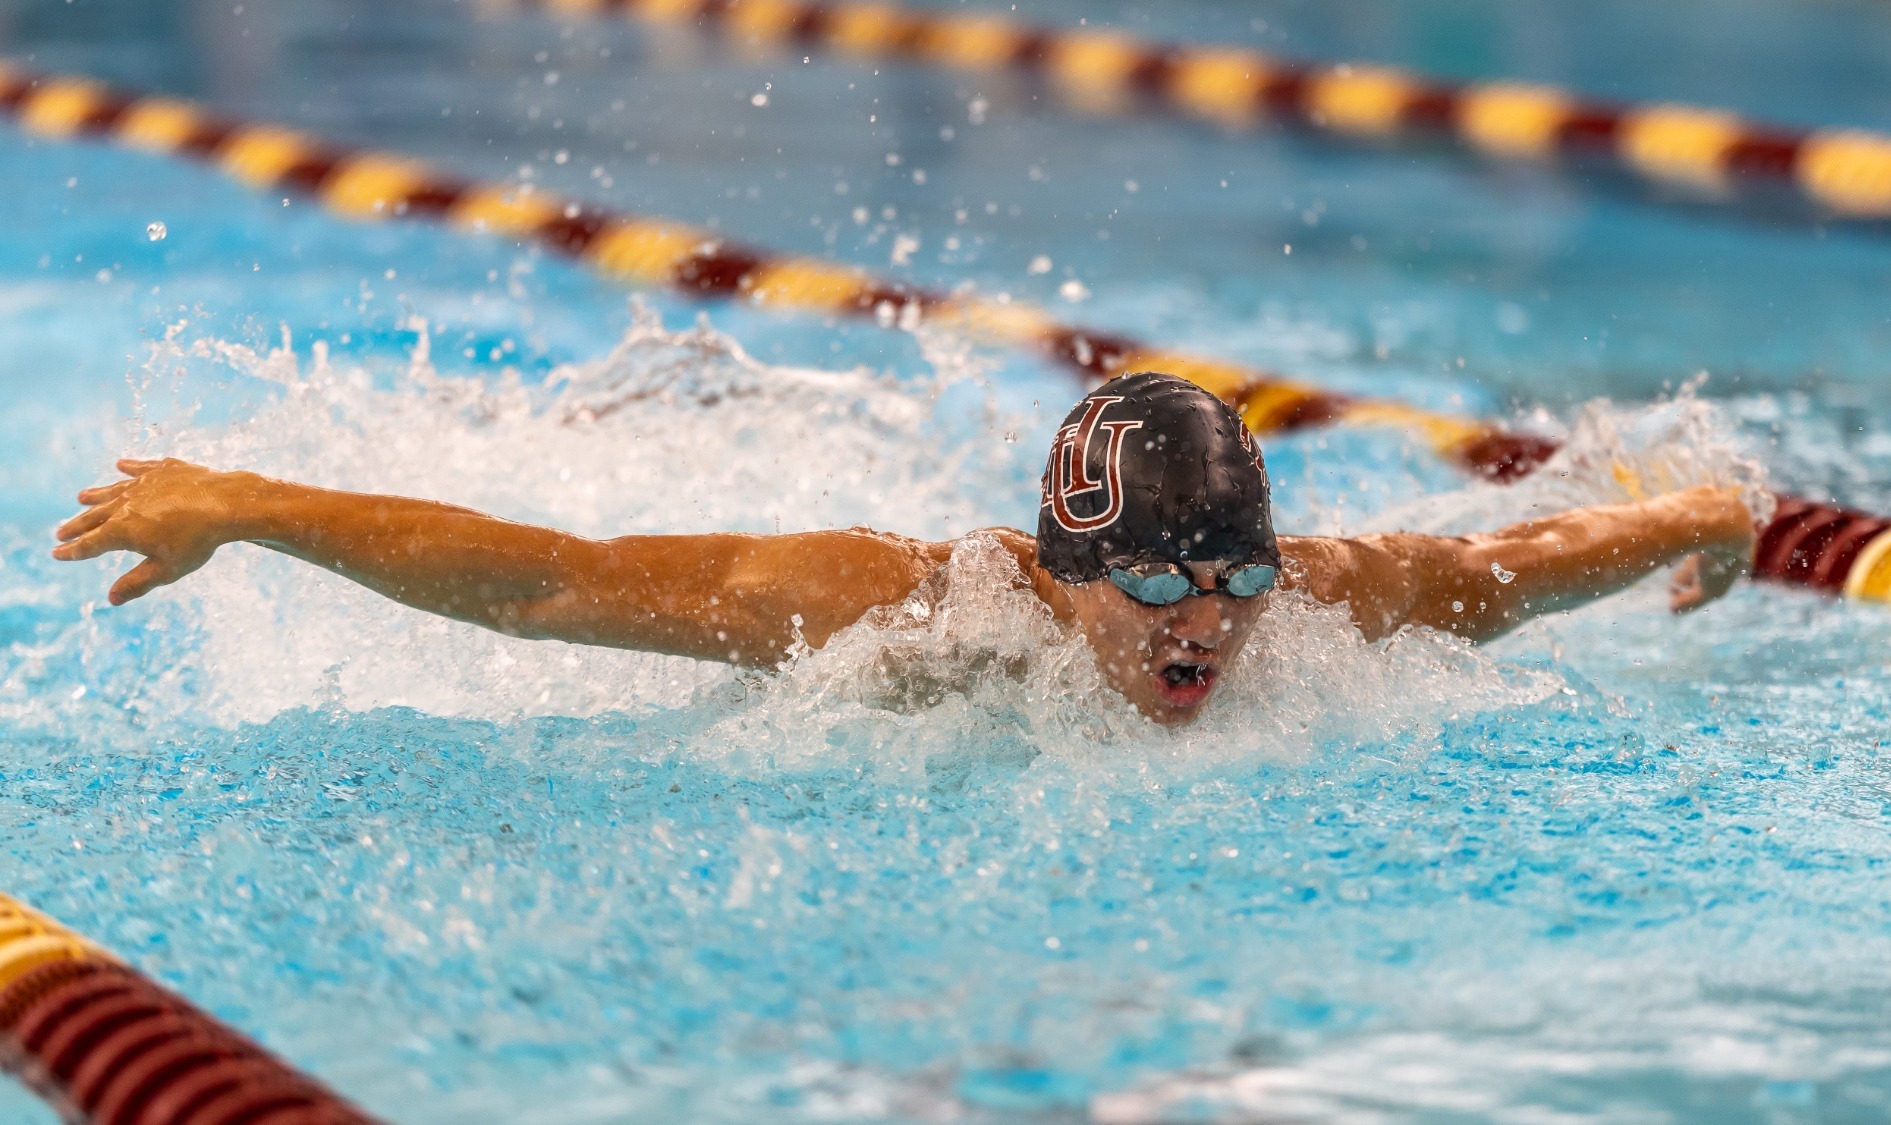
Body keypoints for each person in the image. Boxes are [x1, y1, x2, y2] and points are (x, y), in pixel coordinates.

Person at [51, 372, 1755, 725]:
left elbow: (1519, 562)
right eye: (1157, 583)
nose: (1207, 629)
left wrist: (1704, 514)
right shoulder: (905, 612)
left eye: (1231, 581)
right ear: (1065, 570)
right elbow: (549, 576)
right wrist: (254, 503)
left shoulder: (1315, 603)